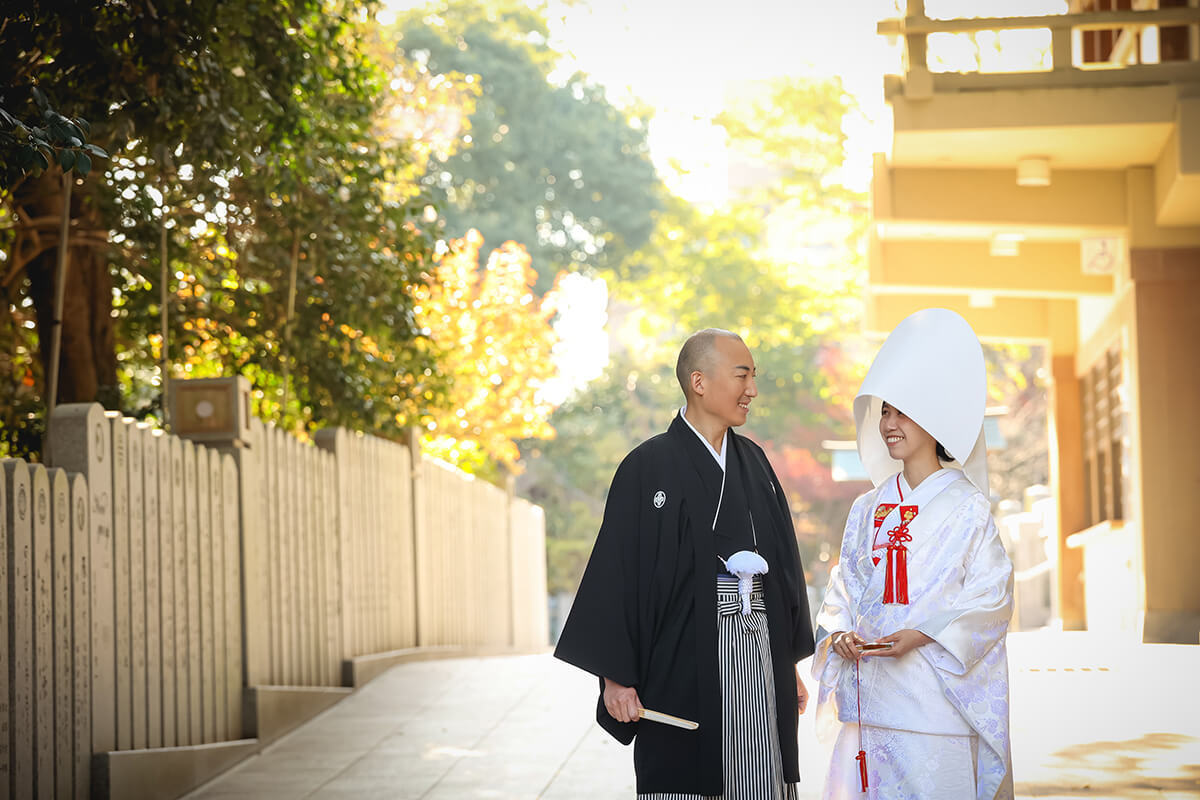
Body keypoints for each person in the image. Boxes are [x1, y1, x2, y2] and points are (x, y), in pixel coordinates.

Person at [555, 328, 815, 799]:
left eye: (753, 377)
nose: (752, 390)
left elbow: (783, 569)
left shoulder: (755, 462)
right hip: (680, 661)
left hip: (759, 654)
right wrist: (615, 676)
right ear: (699, 381)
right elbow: (618, 574)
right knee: (686, 777)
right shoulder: (647, 466)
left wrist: (786, 664)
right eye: (742, 375)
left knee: (761, 775)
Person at [813, 308, 1014, 800]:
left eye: (901, 411)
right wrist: (838, 634)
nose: (889, 423)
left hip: (936, 706)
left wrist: (923, 635)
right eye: (884, 411)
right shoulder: (867, 507)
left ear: (935, 418)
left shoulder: (967, 507)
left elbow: (992, 597)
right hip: (870, 707)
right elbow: (843, 589)